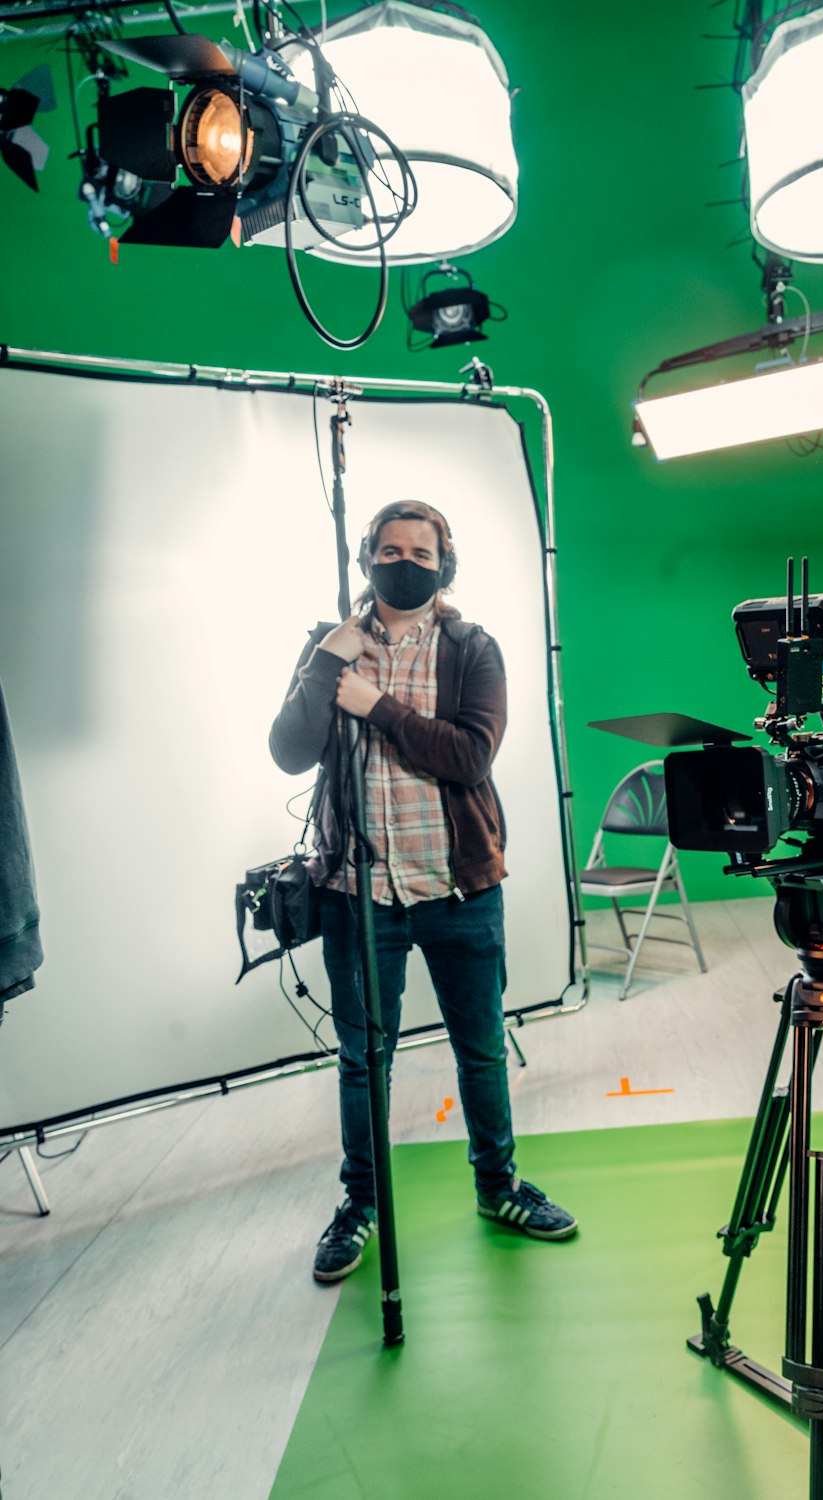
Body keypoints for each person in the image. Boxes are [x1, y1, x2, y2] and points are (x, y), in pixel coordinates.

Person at [269, 500, 577, 1282]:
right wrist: (326, 662)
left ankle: (497, 1186)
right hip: (355, 896)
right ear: (367, 556)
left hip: (458, 888)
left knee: (480, 1051)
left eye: (421, 550)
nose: (405, 561)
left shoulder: (472, 648)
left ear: (446, 564)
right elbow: (287, 753)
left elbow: (470, 756)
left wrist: (379, 708)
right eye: (391, 549)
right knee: (362, 1061)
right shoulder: (329, 648)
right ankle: (361, 1204)